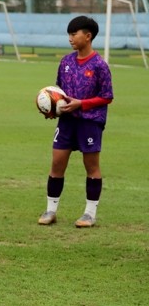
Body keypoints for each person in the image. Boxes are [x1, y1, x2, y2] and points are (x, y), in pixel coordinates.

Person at [37, 15, 113, 228]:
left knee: (91, 166)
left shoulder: (99, 65)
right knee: (57, 163)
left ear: (87, 36)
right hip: (67, 122)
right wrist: (53, 109)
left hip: (90, 121)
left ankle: (89, 214)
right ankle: (51, 211)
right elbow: (57, 92)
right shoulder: (66, 62)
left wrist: (82, 103)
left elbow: (107, 96)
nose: (70, 38)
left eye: (74, 34)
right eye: (69, 34)